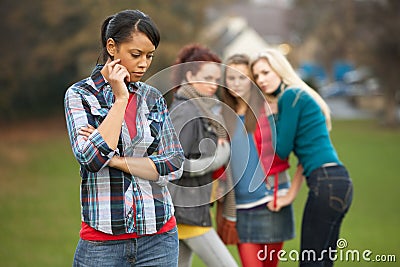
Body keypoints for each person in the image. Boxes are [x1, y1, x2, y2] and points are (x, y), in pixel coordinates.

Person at [64, 10, 184, 267]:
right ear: (112, 47)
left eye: (149, 56)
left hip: (159, 238)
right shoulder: (80, 95)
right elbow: (92, 159)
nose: (144, 64)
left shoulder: (152, 97)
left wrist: (116, 160)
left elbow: (174, 163)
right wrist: (120, 100)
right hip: (102, 243)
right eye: (136, 55)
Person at [251, 49, 353, 267]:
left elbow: (283, 149)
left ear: (279, 69)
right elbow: (302, 163)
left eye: (265, 72)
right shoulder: (299, 95)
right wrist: (290, 195)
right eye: (257, 76)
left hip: (325, 182)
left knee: (310, 262)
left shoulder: (290, 96)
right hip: (338, 182)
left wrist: (272, 116)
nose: (261, 80)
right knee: (323, 261)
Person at [220, 54, 302, 267]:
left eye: (243, 77)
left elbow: (299, 150)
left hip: (272, 203)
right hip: (240, 208)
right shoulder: (220, 116)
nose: (237, 83)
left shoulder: (269, 110)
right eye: (231, 78)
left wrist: (290, 193)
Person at [168, 43, 238, 267]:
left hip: (188, 209)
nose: (213, 85)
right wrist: (219, 157)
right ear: (190, 74)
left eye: (217, 79)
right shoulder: (186, 110)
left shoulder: (200, 108)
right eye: (208, 77)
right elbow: (174, 163)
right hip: (186, 210)